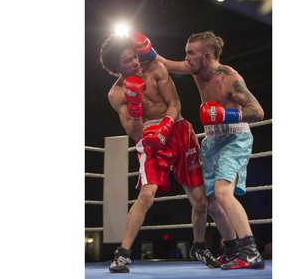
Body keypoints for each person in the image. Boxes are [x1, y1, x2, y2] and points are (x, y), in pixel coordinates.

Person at [99, 32, 221, 273]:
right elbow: (134, 133)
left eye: (134, 56)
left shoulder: (155, 67)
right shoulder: (116, 94)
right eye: (127, 61)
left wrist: (166, 124)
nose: (135, 62)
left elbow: (175, 103)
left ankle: (199, 245)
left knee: (199, 200)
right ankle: (122, 254)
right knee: (147, 195)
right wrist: (135, 106)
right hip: (149, 137)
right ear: (116, 67)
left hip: (177, 129)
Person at [153, 31, 266, 270]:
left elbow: (257, 111)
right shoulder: (195, 69)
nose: (186, 58)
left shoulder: (228, 77)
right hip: (212, 140)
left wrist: (226, 113)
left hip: (235, 136)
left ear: (206, 56)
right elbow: (162, 62)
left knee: (223, 192)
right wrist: (141, 47)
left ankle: (251, 252)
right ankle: (233, 248)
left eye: (190, 53)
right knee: (213, 203)